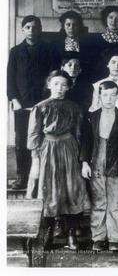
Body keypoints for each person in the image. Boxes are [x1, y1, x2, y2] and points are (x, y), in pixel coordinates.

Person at [26, 70, 91, 251]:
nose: (59, 88)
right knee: (49, 191)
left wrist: (81, 159)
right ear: (48, 85)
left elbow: (79, 134)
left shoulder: (75, 108)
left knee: (72, 189)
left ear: (68, 87)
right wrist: (35, 161)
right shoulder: (39, 107)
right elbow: (33, 136)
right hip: (47, 150)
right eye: (55, 84)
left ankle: (71, 233)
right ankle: (48, 234)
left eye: (63, 84)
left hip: (69, 149)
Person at [82, 81, 118, 251]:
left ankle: (114, 239)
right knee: (98, 201)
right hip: (96, 161)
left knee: (116, 201)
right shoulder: (92, 116)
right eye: (105, 95)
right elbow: (86, 142)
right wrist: (84, 163)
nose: (109, 99)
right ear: (99, 96)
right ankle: (98, 237)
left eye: (113, 95)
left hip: (116, 163)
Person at [7, 15, 56, 189]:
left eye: (35, 27)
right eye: (28, 27)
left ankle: (44, 177)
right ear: (23, 29)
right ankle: (22, 176)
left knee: (44, 138)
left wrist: (48, 99)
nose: (31, 30)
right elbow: (10, 78)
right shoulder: (15, 51)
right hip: (22, 105)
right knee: (22, 141)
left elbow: (53, 76)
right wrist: (14, 99)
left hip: (44, 103)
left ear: (40, 29)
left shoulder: (49, 49)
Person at [84, 5, 118, 81]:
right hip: (99, 78)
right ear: (106, 19)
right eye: (110, 17)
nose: (113, 21)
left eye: (117, 19)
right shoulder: (95, 40)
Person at [52, 10, 90, 77]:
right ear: (63, 26)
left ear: (79, 27)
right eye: (68, 25)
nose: (71, 28)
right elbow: (54, 66)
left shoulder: (87, 44)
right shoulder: (55, 44)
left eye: (74, 25)